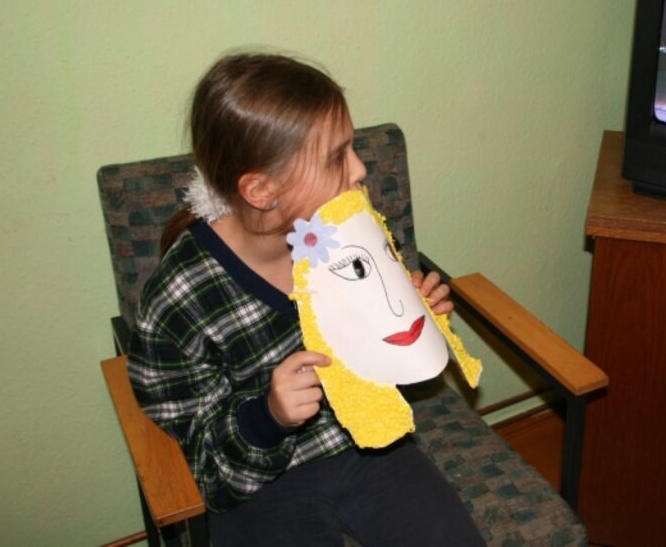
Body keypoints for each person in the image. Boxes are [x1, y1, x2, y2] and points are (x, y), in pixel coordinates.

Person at [127, 51, 485, 547]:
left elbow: (382, 348)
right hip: (262, 486)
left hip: (371, 444)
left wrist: (414, 316)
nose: (359, 170)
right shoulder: (181, 299)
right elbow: (203, 459)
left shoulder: (350, 230)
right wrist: (266, 415)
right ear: (260, 189)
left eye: (352, 148)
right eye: (337, 156)